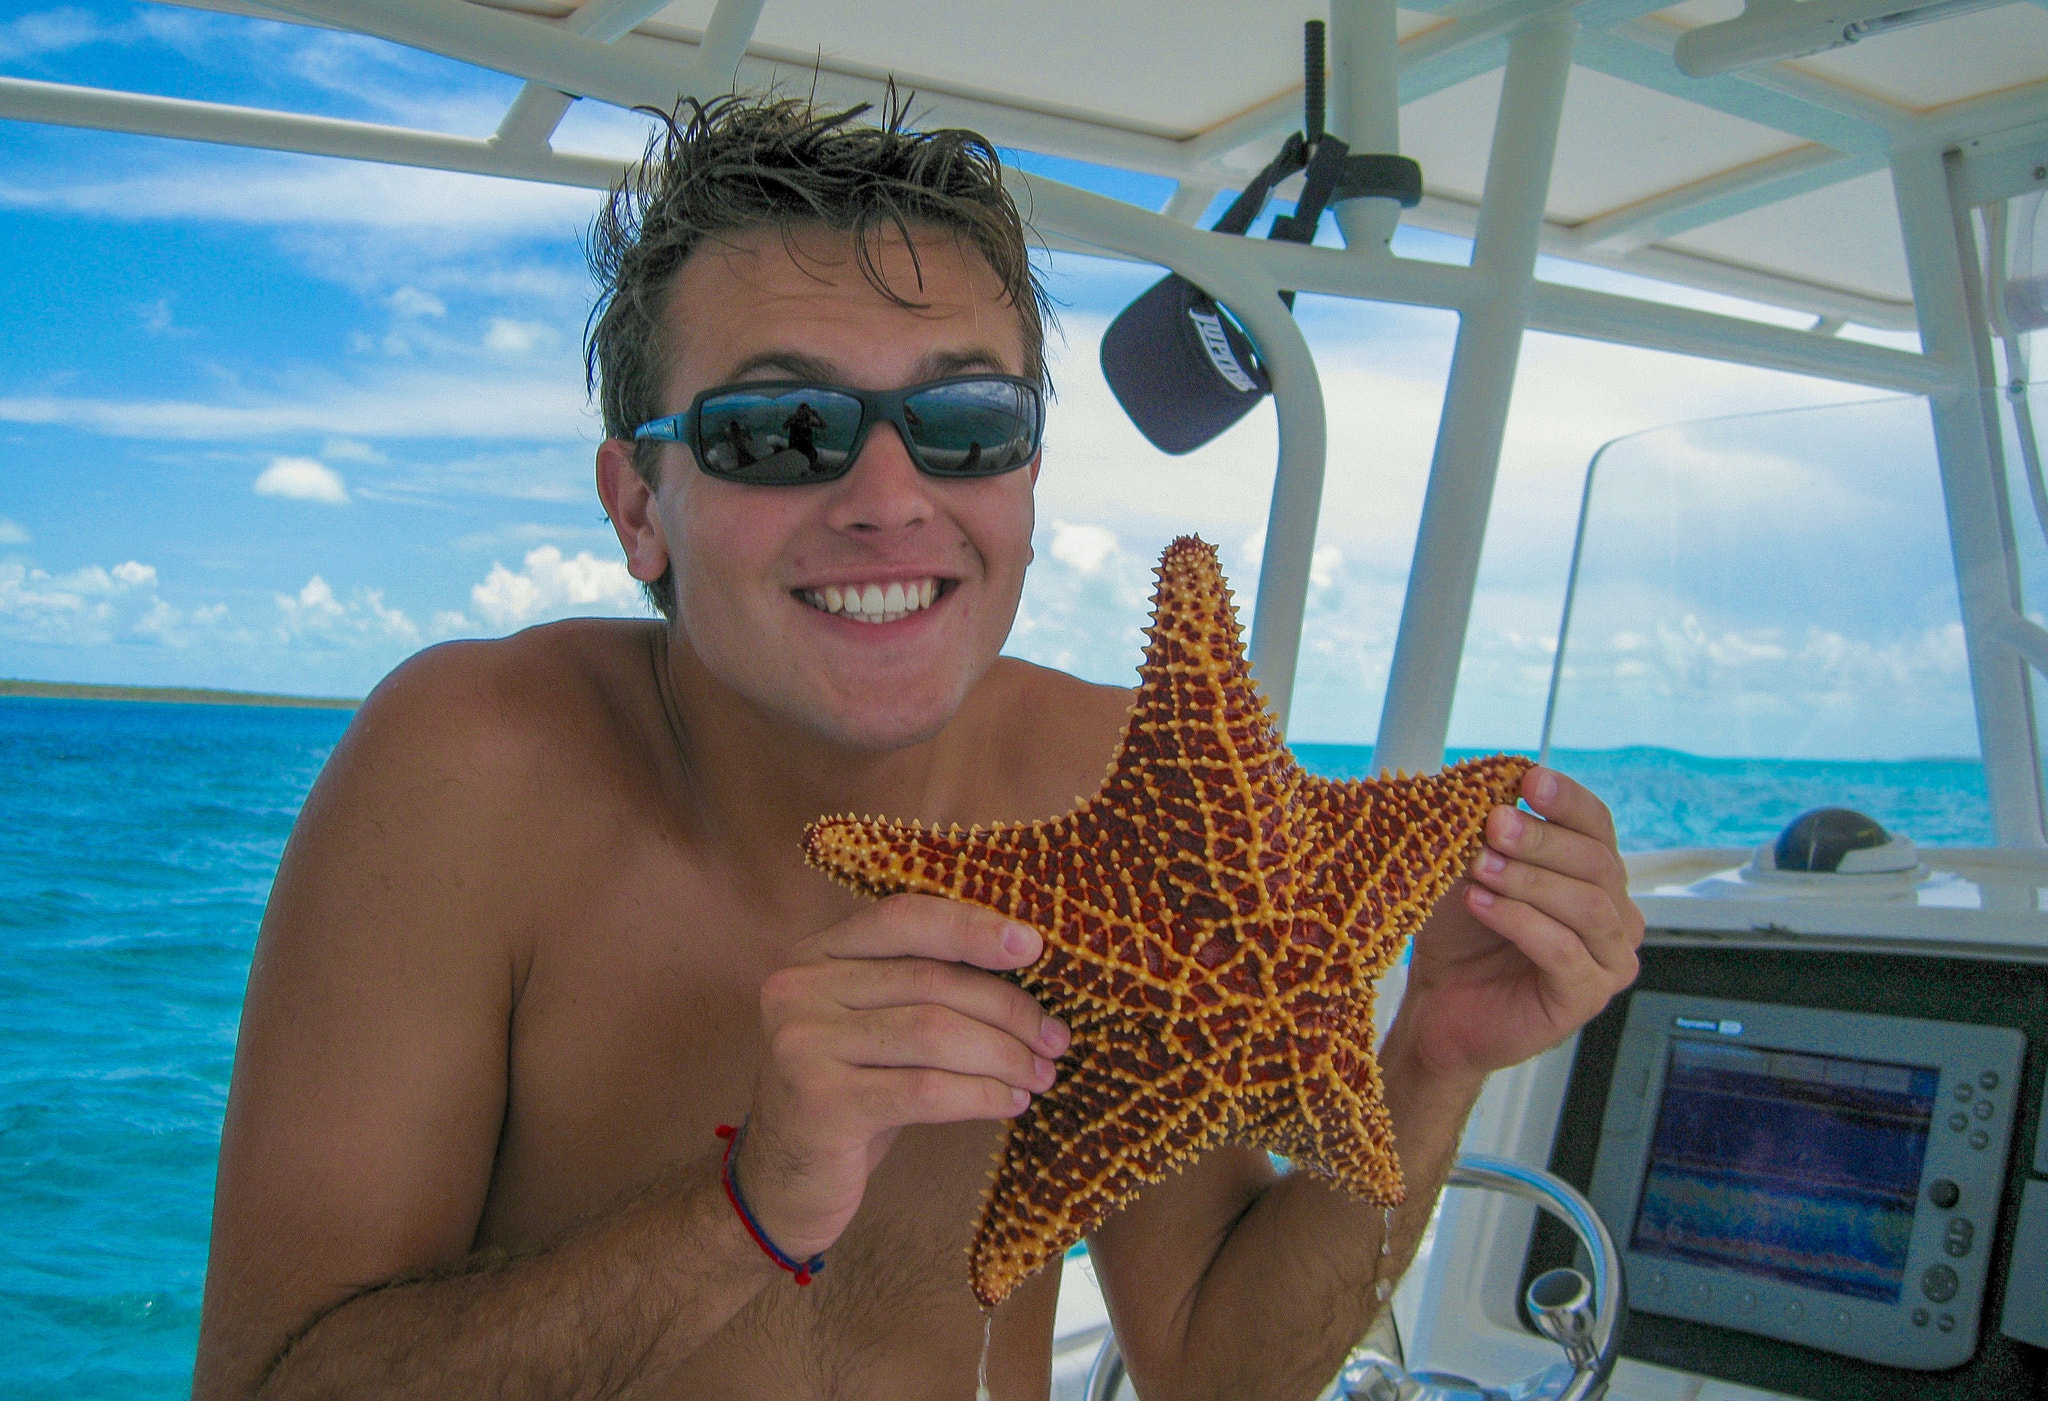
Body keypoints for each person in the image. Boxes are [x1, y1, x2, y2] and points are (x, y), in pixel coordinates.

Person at [192, 95, 1644, 1401]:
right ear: (640, 504)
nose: (891, 496)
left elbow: (1212, 1364)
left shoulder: (1128, 782)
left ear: (1023, 475)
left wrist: (1435, 1057)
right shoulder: (474, 769)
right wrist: (746, 1208)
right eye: (782, 427)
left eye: (963, 418)